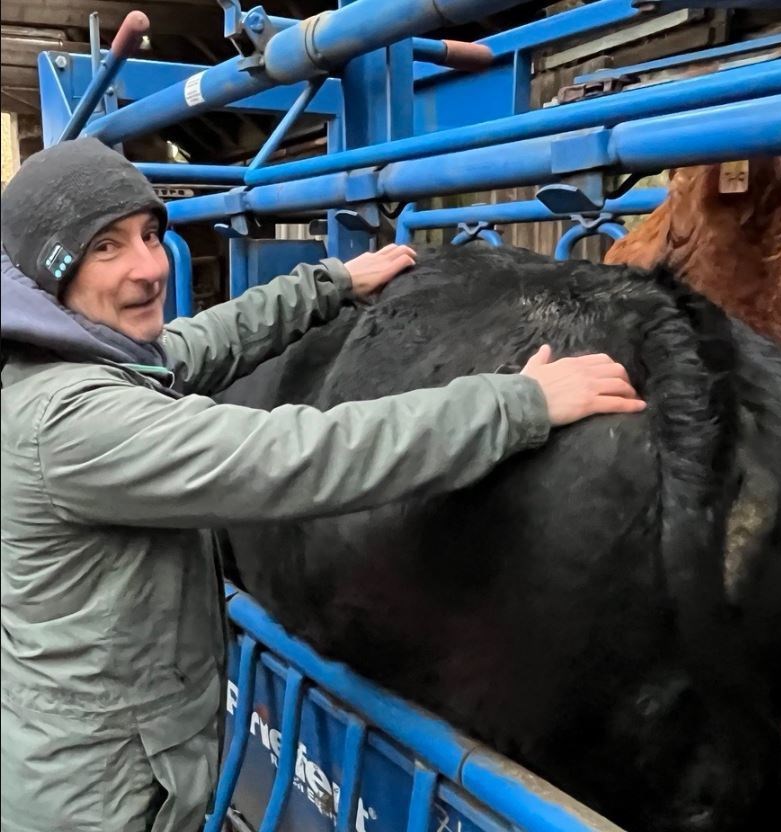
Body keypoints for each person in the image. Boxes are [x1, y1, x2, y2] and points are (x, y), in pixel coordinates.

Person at [0, 138, 645, 832]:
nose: (149, 267)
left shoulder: (84, 358)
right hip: (97, 800)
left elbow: (202, 344)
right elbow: (299, 455)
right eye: (106, 247)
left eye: (152, 235)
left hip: (122, 761)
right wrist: (518, 404)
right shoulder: (72, 421)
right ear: (51, 272)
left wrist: (329, 285)